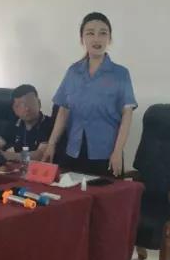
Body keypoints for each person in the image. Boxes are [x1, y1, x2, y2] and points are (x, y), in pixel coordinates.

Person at [41, 12, 137, 176]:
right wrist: (51, 144)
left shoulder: (120, 74)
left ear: (109, 39)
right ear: (82, 39)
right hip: (73, 150)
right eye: (90, 33)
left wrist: (117, 151)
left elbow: (127, 116)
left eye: (103, 33)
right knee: (71, 190)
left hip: (106, 153)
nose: (96, 39)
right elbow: (63, 111)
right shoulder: (73, 72)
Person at [0, 84, 55, 161]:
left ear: (39, 103)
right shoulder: (12, 123)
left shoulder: (49, 124)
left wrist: (5, 155)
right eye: (21, 105)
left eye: (31, 103)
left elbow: (39, 156)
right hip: (13, 167)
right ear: (14, 109)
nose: (27, 109)